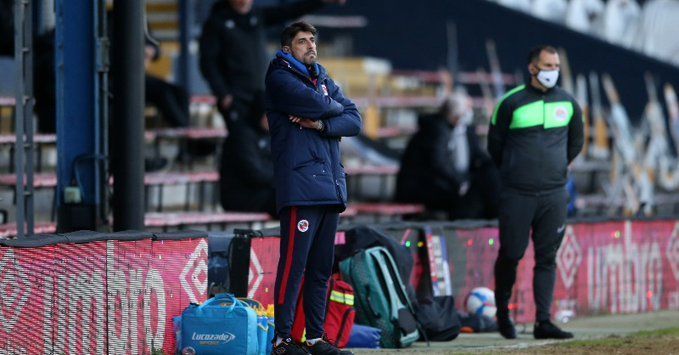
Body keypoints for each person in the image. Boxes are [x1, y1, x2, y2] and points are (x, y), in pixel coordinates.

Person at [265, 21, 360, 355]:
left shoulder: (322, 78)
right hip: (301, 186)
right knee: (294, 266)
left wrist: (321, 123)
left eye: (313, 40)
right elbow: (328, 106)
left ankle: (316, 337)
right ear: (288, 48)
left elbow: (355, 120)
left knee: (321, 269)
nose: (311, 45)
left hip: (330, 187)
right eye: (303, 41)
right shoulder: (279, 77)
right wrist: (329, 109)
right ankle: (283, 339)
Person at [487, 45, 584, 340]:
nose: (553, 71)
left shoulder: (568, 104)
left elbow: (575, 144)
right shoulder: (511, 102)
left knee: (547, 257)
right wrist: (518, 171)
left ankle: (544, 321)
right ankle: (502, 313)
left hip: (553, 195)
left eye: (556, 66)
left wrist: (554, 172)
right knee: (511, 254)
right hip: (518, 194)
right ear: (532, 68)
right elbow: (495, 146)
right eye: (547, 65)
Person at [199, 0, 345, 131]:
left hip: (262, 95)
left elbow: (290, 11)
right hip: (237, 100)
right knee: (243, 148)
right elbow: (207, 62)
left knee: (270, 146)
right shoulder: (217, 22)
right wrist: (223, 94)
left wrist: (321, 2)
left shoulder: (256, 16)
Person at [395, 91, 500, 220]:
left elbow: (478, 156)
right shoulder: (436, 129)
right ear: (456, 113)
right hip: (425, 187)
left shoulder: (466, 130)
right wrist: (461, 182)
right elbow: (438, 162)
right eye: (468, 108)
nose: (470, 112)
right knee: (469, 200)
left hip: (450, 183)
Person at [219, 111, 277, 217]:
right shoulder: (241, 135)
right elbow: (255, 174)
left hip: (261, 193)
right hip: (240, 196)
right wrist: (281, 179)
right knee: (287, 198)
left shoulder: (267, 134)